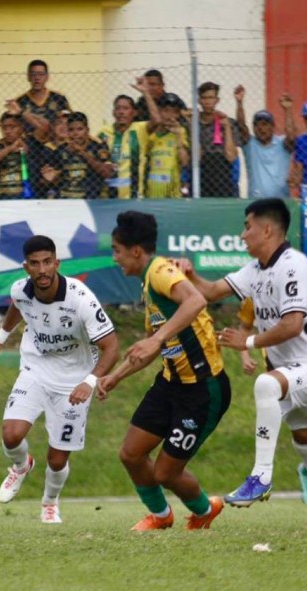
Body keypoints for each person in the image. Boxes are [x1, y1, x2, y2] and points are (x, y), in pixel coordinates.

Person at [178, 198, 307, 529]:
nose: (243, 235)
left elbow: (292, 324)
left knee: (266, 383)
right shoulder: (256, 269)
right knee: (306, 440)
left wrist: (247, 342)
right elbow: (212, 291)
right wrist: (190, 275)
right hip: (298, 371)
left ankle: (260, 476)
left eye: (248, 226)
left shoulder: (292, 265)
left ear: (267, 229)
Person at [98, 211, 230, 531]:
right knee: (131, 454)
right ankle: (160, 516)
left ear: (136, 251)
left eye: (117, 250)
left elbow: (196, 300)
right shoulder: (150, 286)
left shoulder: (159, 270)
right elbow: (150, 347)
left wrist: (157, 338)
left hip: (202, 387)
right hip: (170, 383)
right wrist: (113, 377)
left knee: (165, 473)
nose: (115, 258)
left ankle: (204, 510)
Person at [0, 235, 119, 524]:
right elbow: (18, 306)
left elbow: (112, 346)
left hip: (75, 382)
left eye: (47, 262)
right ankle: (20, 466)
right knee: (11, 434)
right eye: (35, 264)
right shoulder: (20, 290)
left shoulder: (80, 299)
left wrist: (90, 382)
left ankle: (49, 503)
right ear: (25, 267)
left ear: (57, 263)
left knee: (57, 460)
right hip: (36, 369)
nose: (42, 269)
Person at [236, 297, 307, 505]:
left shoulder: (299, 284)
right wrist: (245, 357)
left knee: (268, 391)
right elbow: (242, 328)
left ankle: (261, 476)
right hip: (282, 376)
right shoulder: (253, 296)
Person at [234, 86, 295, 198]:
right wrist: (239, 103)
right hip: (256, 201)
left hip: (280, 200)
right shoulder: (250, 145)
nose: (261, 128)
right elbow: (241, 126)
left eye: (265, 124)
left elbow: (291, 136)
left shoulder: (281, 143)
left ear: (273, 127)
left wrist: (288, 110)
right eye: (257, 125)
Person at [97, 84, 154, 200]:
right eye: (118, 108)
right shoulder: (103, 132)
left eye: (126, 108)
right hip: (107, 197)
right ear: (113, 112)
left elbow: (157, 120)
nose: (121, 112)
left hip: (134, 197)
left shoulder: (140, 129)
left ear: (134, 113)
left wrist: (146, 93)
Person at [40, 111, 113, 199]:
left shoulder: (98, 147)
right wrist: (49, 179)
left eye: (80, 129)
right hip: (65, 200)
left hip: (91, 200)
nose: (75, 133)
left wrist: (82, 153)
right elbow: (46, 181)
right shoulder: (60, 150)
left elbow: (108, 174)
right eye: (71, 130)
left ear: (87, 130)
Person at [195, 82, 238, 197]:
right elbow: (196, 156)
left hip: (222, 173)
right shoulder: (193, 122)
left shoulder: (228, 122)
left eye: (211, 98)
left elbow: (231, 156)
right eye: (204, 98)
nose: (207, 101)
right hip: (201, 172)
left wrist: (227, 128)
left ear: (217, 100)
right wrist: (191, 124)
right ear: (199, 100)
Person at [144, 92, 189, 199]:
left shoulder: (181, 132)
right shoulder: (151, 135)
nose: (170, 116)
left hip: (174, 191)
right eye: (166, 111)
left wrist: (178, 137)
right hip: (153, 191)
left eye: (174, 112)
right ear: (159, 111)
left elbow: (185, 162)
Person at [13, 59, 70, 137]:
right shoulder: (20, 101)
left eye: (41, 74)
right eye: (33, 74)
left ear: (47, 77)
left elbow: (69, 123)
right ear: (28, 77)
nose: (37, 78)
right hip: (29, 144)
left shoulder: (58, 98)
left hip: (54, 142)